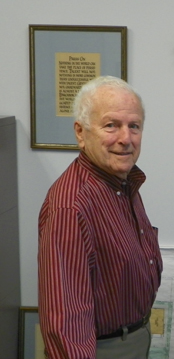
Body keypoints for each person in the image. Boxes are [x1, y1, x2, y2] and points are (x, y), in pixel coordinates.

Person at [38, 76, 163, 359]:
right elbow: (65, 321)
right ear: (81, 133)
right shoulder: (71, 207)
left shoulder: (122, 183)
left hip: (133, 338)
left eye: (134, 126)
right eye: (111, 125)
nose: (125, 138)